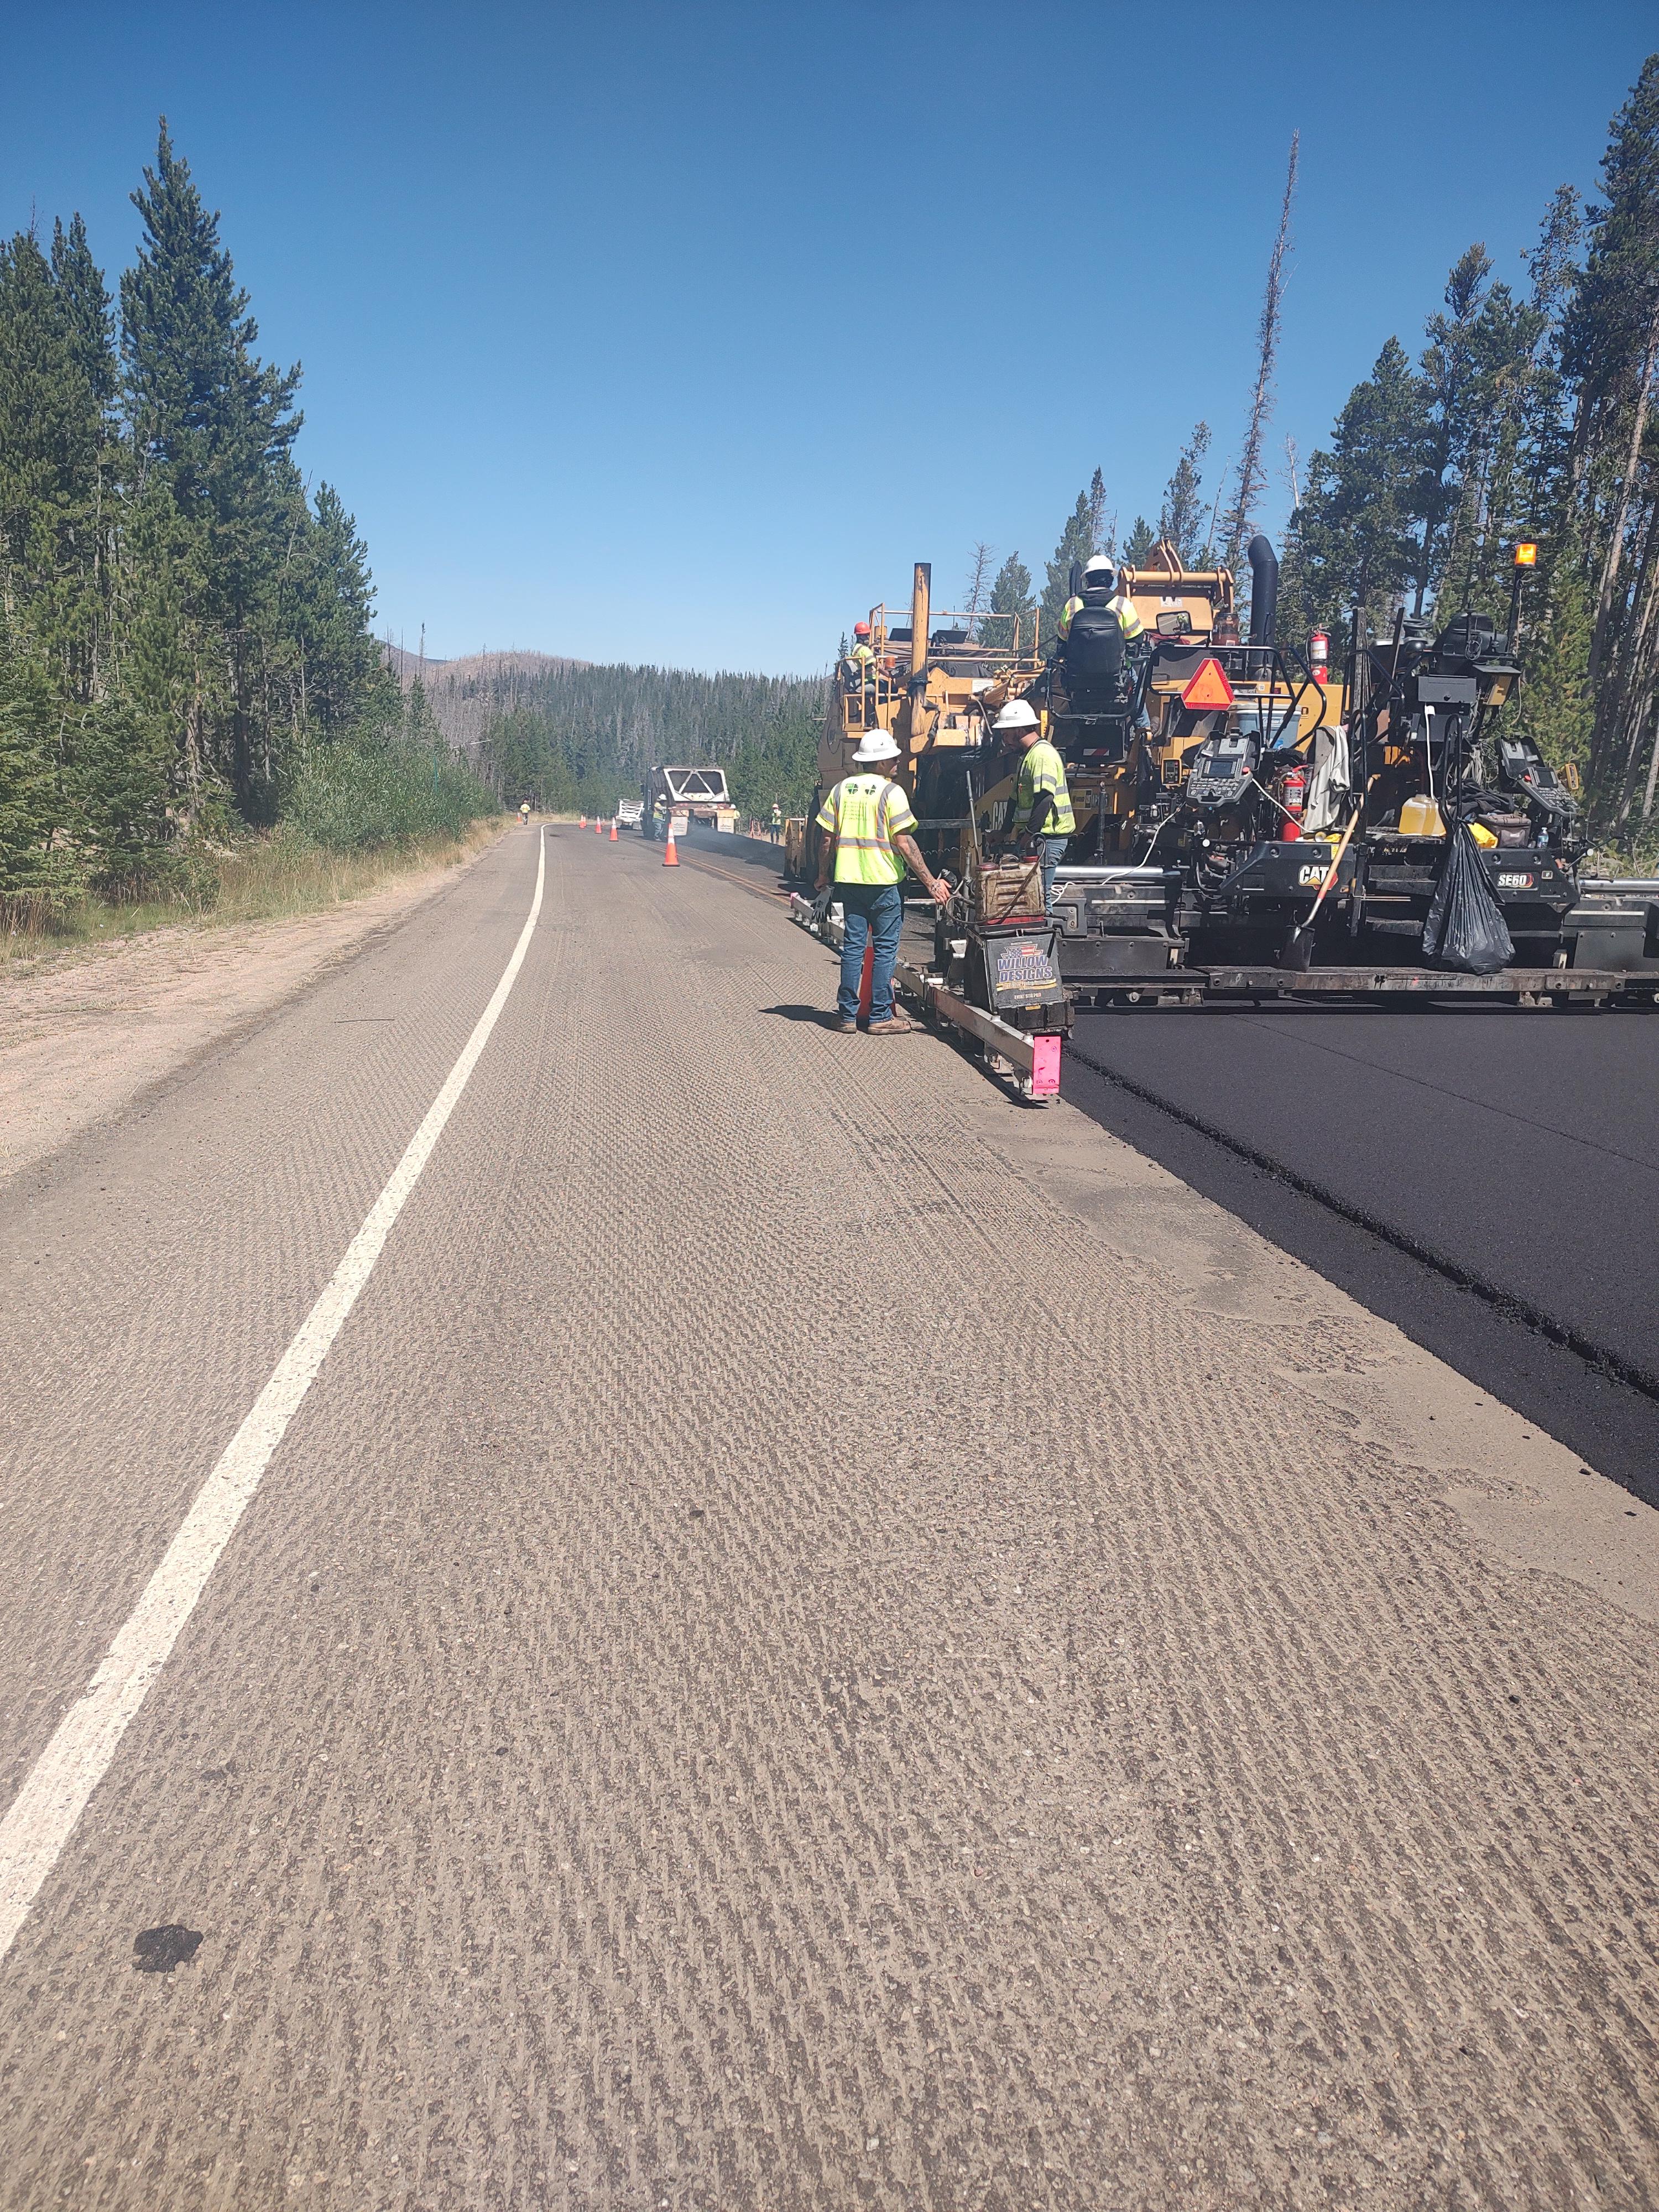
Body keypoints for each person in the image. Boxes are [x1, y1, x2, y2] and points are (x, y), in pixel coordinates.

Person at [813, 729, 950, 1034]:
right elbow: (905, 843)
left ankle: (847, 1016)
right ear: (880, 762)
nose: (898, 761)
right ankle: (879, 1017)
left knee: (853, 948)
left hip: (850, 882)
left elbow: (826, 840)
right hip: (885, 883)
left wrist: (824, 874)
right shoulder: (892, 793)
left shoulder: (841, 790)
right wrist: (931, 883)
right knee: (886, 950)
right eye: (893, 757)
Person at [997, 699, 1075, 917]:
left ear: (1019, 729)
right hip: (1038, 837)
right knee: (1030, 897)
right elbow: (1015, 800)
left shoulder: (1041, 755)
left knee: (1040, 897)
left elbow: (1045, 799)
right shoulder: (1027, 757)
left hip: (1048, 838)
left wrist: (1029, 835)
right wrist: (1003, 832)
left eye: (1006, 734)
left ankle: (1044, 948)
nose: (1004, 741)